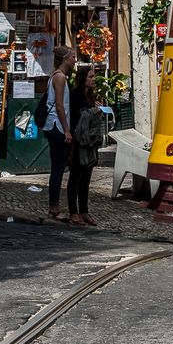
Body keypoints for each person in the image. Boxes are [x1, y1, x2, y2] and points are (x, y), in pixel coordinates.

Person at [44, 45, 77, 220]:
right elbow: (59, 105)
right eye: (73, 57)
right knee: (58, 168)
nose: (74, 60)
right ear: (65, 59)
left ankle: (54, 205)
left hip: (54, 125)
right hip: (56, 126)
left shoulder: (56, 76)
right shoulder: (60, 77)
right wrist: (66, 129)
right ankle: (54, 206)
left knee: (58, 167)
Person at [67, 66, 100, 226]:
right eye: (91, 77)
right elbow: (75, 117)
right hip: (78, 140)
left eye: (94, 77)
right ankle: (73, 211)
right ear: (83, 78)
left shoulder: (91, 96)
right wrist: (91, 111)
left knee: (86, 177)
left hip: (90, 141)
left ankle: (84, 210)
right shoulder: (75, 95)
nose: (93, 79)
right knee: (75, 177)